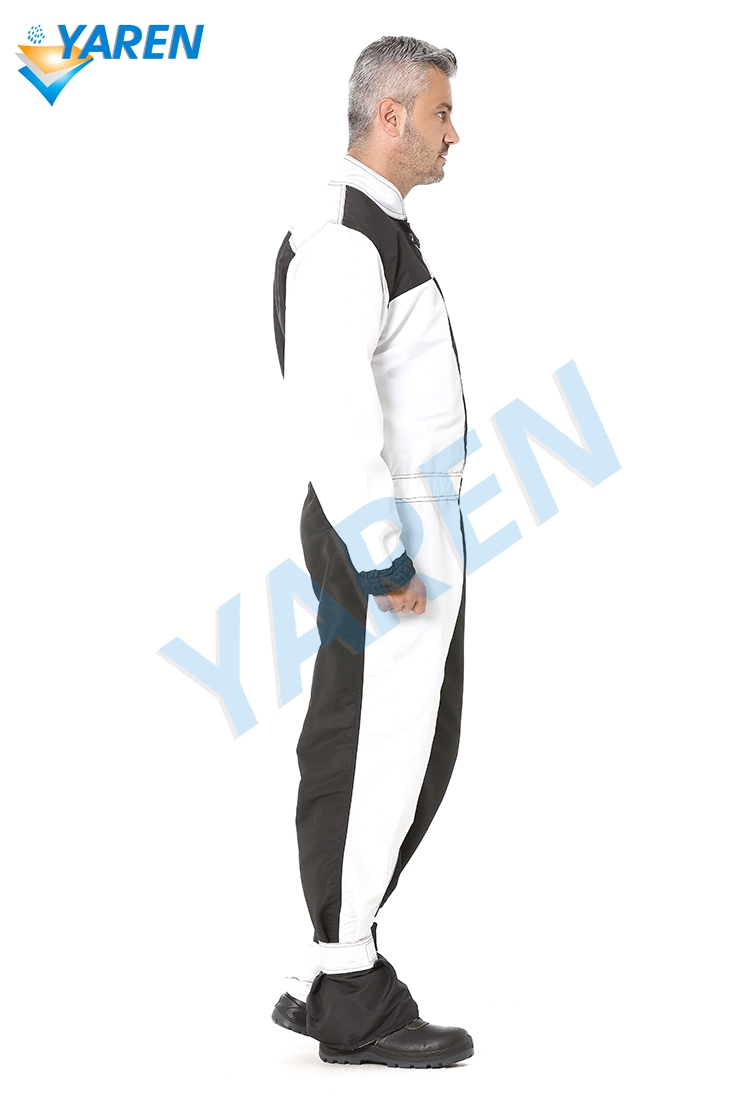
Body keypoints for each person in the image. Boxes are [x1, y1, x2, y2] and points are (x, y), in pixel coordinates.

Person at [271, 36, 471, 1068]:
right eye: (439, 113)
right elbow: (329, 403)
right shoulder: (343, 237)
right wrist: (385, 552)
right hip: (383, 524)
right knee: (371, 753)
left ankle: (321, 966)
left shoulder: (377, 229)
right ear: (389, 117)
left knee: (410, 750)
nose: (453, 133)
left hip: (406, 519)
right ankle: (350, 988)